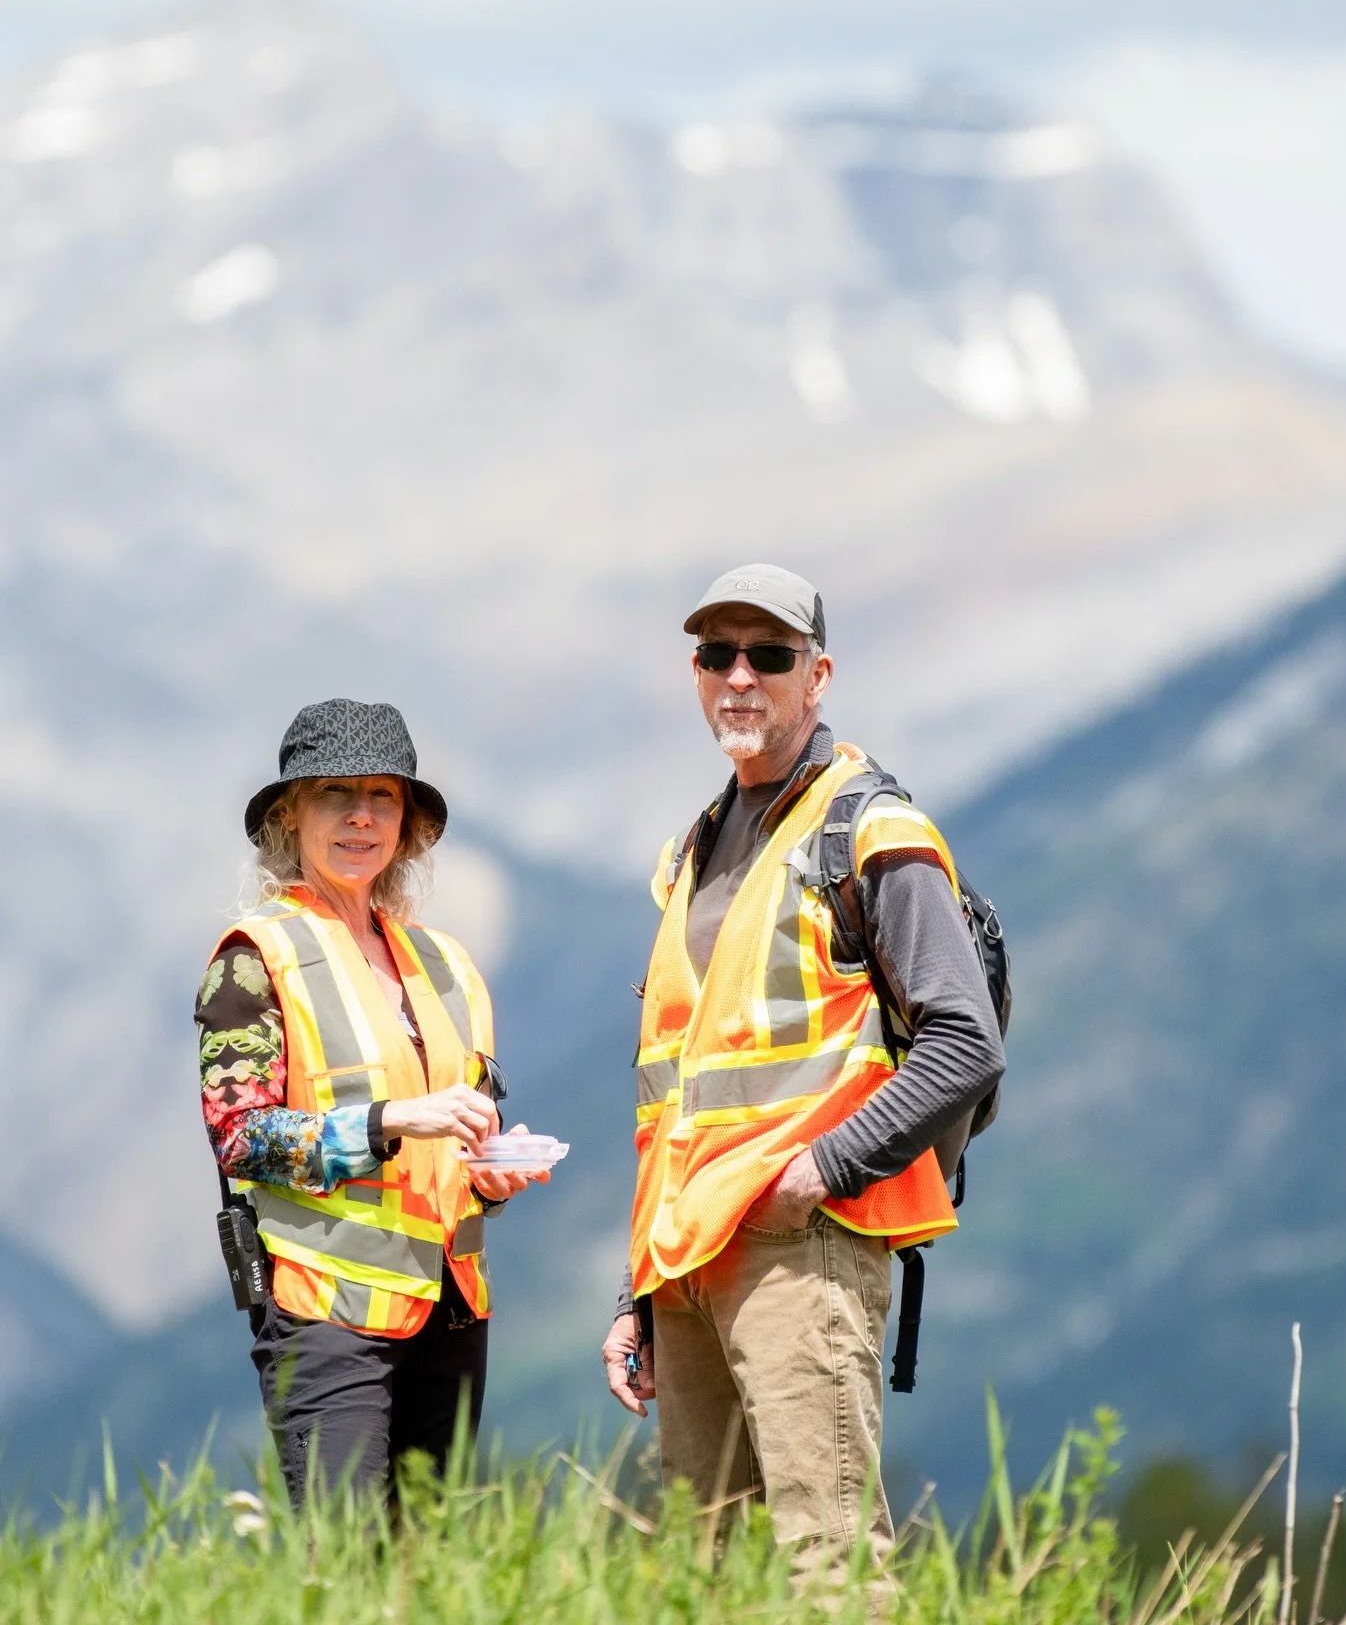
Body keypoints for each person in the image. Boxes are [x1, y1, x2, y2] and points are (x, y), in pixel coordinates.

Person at [601, 565, 1006, 1572]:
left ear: (816, 675)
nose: (740, 677)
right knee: (707, 1577)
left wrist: (820, 1172)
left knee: (826, 1567)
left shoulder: (870, 828)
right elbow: (678, 1101)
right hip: (689, 1264)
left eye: (769, 656)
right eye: (716, 654)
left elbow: (965, 1038)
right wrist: (637, 1291)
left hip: (802, 1247)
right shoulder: (692, 851)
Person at [197, 698, 548, 1504]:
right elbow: (241, 1137)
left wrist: (491, 1174)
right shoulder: (256, 959)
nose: (361, 817)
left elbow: (460, 1141)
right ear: (290, 815)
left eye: (382, 796)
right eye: (335, 794)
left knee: (429, 1571)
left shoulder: (448, 965)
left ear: (408, 821)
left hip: (452, 1312)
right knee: (346, 1569)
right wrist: (390, 1122)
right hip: (325, 1316)